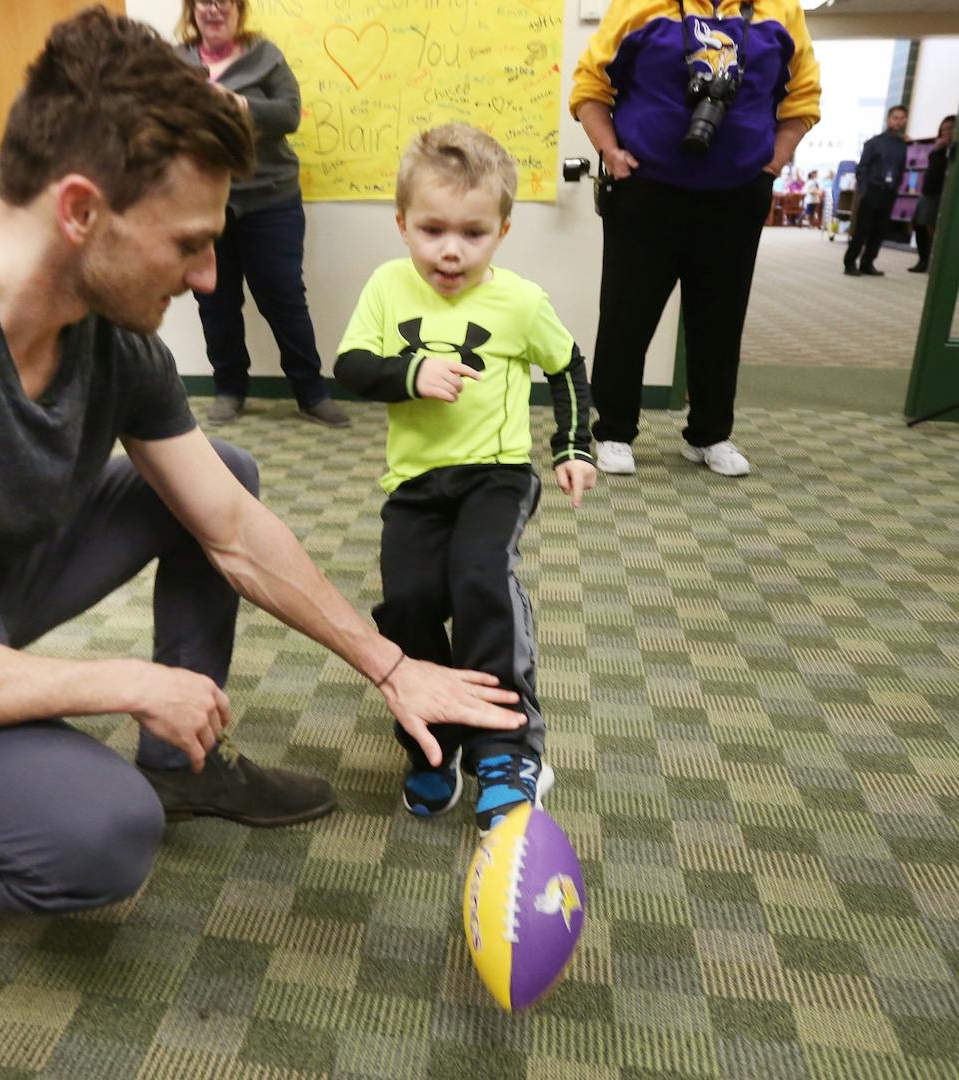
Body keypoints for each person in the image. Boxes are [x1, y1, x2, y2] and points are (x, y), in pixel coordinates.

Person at [0, 9, 526, 968]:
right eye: (189, 244)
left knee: (227, 473)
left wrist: (388, 663)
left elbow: (232, 527)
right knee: (99, 841)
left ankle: (185, 770)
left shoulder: (113, 338)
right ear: (81, 210)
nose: (210, 278)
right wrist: (124, 681)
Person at [334, 124, 597, 833]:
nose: (451, 250)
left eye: (474, 233)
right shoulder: (388, 287)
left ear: (503, 231)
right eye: (433, 229)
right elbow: (351, 368)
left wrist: (574, 447)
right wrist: (410, 373)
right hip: (415, 484)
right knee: (410, 604)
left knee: (480, 578)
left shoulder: (519, 301)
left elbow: (567, 363)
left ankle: (510, 749)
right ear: (403, 224)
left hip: (496, 476)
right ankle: (434, 742)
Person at [571, 0, 820, 479]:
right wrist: (611, 152)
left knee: (720, 321)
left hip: (735, 197)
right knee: (627, 314)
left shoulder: (780, 11)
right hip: (645, 192)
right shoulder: (639, 6)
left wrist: (775, 162)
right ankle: (614, 431)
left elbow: (803, 99)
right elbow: (589, 86)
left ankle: (710, 434)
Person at [174, 0, 349, 428]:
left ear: (239, 9)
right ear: (192, 10)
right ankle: (229, 389)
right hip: (203, 202)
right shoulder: (175, 61)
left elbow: (289, 114)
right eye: (203, 2)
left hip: (270, 199)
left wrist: (237, 105)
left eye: (224, 2)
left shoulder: (265, 56)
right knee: (214, 300)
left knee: (284, 298)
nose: (213, 10)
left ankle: (310, 392)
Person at [844, 105, 909, 277]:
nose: (899, 121)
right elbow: (861, 168)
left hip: (889, 192)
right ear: (888, 119)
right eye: (895, 117)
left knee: (880, 230)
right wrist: (864, 189)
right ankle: (850, 262)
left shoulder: (903, 145)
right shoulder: (874, 143)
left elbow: (902, 169)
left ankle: (868, 263)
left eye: (902, 118)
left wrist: (897, 187)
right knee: (862, 228)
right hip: (872, 190)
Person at [911, 114, 954, 274]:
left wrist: (946, 147)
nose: (945, 132)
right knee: (918, 224)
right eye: (943, 128)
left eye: (950, 128)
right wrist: (939, 148)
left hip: (941, 194)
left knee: (933, 228)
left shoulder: (952, 148)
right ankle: (923, 259)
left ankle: (935, 262)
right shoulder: (939, 147)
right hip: (928, 192)